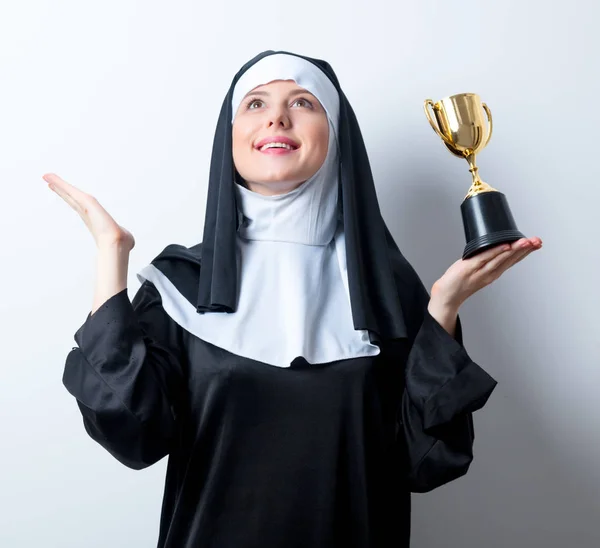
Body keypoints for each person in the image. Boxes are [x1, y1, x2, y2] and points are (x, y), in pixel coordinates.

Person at [46, 50, 542, 548]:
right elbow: (134, 437)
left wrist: (442, 310)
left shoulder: (385, 290)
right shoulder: (182, 286)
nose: (277, 117)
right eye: (256, 103)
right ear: (231, 134)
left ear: (336, 132)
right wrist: (112, 257)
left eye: (302, 102)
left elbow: (426, 461)